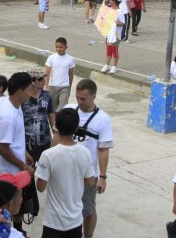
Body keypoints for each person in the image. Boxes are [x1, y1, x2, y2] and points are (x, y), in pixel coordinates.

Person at [64, 79, 113, 238]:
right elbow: (57, 137)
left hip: (88, 175)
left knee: (88, 209)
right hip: (66, 172)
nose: (79, 101)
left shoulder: (103, 119)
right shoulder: (69, 110)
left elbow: (103, 149)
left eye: (83, 98)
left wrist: (103, 177)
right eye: (77, 97)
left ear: (93, 96)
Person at [36, 108, 95, 238]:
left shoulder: (48, 155)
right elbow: (90, 182)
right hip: (75, 220)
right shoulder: (85, 152)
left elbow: (40, 187)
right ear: (76, 128)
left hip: (54, 222)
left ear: (56, 127)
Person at [0, 72, 35, 177]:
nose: (30, 93)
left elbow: (14, 137)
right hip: (6, 173)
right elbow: (3, 149)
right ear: (20, 91)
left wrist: (24, 153)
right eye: (29, 90)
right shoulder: (8, 116)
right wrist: (24, 167)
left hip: (12, 170)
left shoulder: (15, 104)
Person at [45, 37, 75, 110]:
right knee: (52, 108)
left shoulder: (70, 59)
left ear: (66, 47)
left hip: (64, 87)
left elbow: (71, 74)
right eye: (57, 47)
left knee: (62, 108)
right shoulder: (51, 58)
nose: (58, 49)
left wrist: (69, 87)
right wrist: (46, 86)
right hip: (52, 86)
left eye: (61, 47)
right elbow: (47, 73)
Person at [100, 0, 125, 74]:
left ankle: (114, 66)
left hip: (116, 35)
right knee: (109, 50)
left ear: (114, 1)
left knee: (114, 50)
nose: (110, 1)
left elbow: (122, 23)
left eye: (111, 0)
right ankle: (106, 65)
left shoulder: (120, 11)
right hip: (109, 34)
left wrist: (115, 22)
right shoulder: (111, 10)